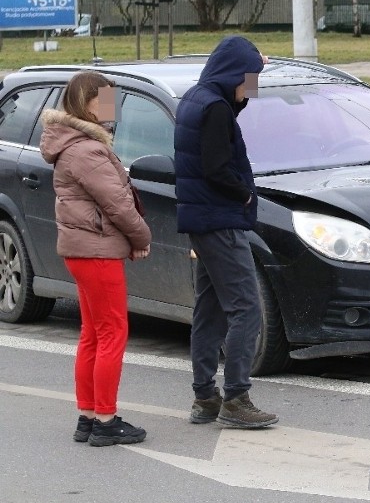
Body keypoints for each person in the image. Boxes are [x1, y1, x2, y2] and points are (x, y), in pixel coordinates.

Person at [39, 70, 152, 446]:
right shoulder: (87, 148)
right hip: (96, 249)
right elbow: (117, 203)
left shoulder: (73, 143)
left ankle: (87, 417)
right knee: (111, 333)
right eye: (103, 98)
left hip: (82, 249)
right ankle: (105, 420)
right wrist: (141, 235)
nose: (110, 106)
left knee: (92, 334)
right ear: (84, 102)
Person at [174, 35, 278, 428]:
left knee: (210, 309)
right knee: (247, 309)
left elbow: (232, 107)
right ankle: (237, 397)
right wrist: (245, 194)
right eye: (249, 78)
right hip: (220, 218)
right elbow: (217, 167)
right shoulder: (215, 108)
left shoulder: (197, 98)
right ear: (234, 72)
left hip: (202, 218)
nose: (252, 87)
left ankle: (205, 398)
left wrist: (253, 68)